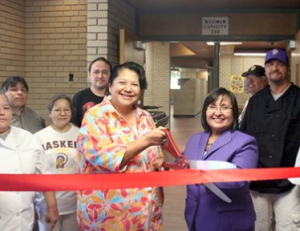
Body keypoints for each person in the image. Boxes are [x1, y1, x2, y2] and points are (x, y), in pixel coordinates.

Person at [77, 62, 167, 231]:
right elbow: (105, 158)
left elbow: (154, 154)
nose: (128, 88)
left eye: (135, 84)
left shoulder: (146, 117)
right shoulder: (95, 116)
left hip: (146, 212)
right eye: (122, 83)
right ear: (110, 87)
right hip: (109, 215)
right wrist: (145, 140)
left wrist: (159, 160)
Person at [240, 48, 300, 231]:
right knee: (259, 226)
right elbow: (242, 137)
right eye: (271, 64)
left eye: (280, 64)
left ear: (287, 68)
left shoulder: (298, 97)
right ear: (266, 69)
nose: (275, 68)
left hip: (290, 182)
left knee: (288, 227)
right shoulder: (255, 101)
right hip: (258, 179)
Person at [184, 87, 258, 231]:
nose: (218, 113)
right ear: (205, 111)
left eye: (224, 107)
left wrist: (201, 174)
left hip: (229, 221)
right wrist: (164, 164)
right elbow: (182, 163)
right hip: (196, 215)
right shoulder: (195, 139)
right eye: (212, 107)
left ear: (234, 112)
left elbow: (239, 181)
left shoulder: (245, 142)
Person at [0, 91, 58, 231]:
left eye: (6, 108)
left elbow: (44, 175)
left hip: (23, 218)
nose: (2, 113)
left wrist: (52, 207)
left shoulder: (28, 138)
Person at [34, 94, 80, 231]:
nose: (62, 113)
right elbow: (35, 171)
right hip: (46, 203)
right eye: (57, 110)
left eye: (66, 110)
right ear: (49, 113)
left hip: (74, 203)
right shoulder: (38, 137)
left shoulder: (81, 134)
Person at [71, 57, 112, 127]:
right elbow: (73, 126)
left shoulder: (116, 98)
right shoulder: (79, 97)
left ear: (110, 75)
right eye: (96, 72)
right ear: (89, 75)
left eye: (104, 72)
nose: (100, 76)